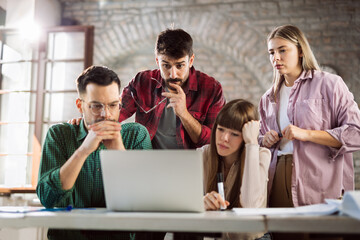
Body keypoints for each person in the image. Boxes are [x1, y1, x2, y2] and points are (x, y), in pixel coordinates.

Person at [36, 66, 152, 240]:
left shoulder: (135, 135)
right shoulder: (59, 135)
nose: (106, 114)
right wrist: (83, 151)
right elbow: (48, 198)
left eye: (113, 105)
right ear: (80, 105)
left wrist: (118, 151)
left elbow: (145, 201)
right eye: (96, 106)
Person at [259, 24, 360, 208]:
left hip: (322, 182)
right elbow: (259, 138)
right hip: (277, 179)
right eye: (271, 52)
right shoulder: (268, 98)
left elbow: (356, 134)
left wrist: (305, 134)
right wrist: (264, 139)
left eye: (283, 50)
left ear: (300, 50)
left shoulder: (330, 84)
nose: (276, 58)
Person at [120, 28, 226, 149]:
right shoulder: (143, 81)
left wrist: (184, 114)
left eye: (180, 65)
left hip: (190, 162)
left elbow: (213, 142)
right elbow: (117, 112)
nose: (173, 74)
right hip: (148, 160)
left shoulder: (212, 89)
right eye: (166, 66)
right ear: (157, 61)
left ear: (191, 61)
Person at [201, 99, 271, 240]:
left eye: (234, 134)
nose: (224, 138)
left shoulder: (261, 155)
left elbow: (250, 207)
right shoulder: (204, 154)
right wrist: (201, 203)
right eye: (221, 129)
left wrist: (251, 143)